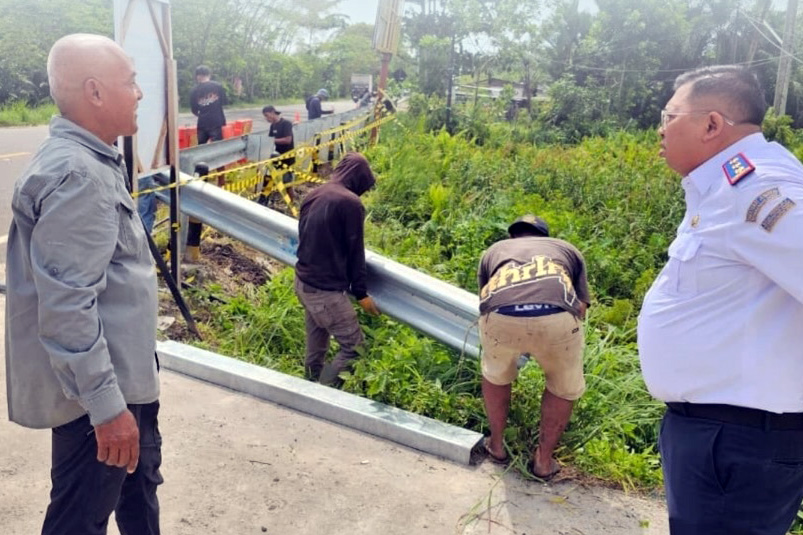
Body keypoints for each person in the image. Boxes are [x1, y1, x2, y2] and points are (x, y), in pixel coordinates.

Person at [5, 34, 162, 535]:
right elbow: (69, 308)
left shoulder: (94, 161)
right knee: (79, 518)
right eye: (130, 82)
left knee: (138, 493)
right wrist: (107, 408)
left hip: (124, 379)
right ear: (95, 93)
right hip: (99, 397)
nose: (139, 94)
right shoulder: (79, 176)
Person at [638, 65, 803, 534]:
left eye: (670, 115)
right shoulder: (725, 191)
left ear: (711, 124)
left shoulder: (759, 191)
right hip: (722, 436)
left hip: (738, 442)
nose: (660, 128)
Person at [477, 215, 590, 480]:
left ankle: (496, 446)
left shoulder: (494, 251)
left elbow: (485, 298)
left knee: (496, 374)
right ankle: (543, 461)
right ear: (545, 236)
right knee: (563, 387)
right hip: (557, 318)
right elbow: (581, 308)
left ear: (513, 237)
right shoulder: (565, 248)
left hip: (500, 315)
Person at [294, 152, 381, 387]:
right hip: (325, 291)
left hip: (303, 283)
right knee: (355, 349)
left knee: (317, 343)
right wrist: (361, 294)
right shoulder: (350, 203)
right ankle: (322, 393)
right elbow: (355, 251)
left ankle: (309, 384)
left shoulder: (314, 193)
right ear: (358, 179)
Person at [262, 105, 296, 201]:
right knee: (269, 179)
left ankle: (291, 204)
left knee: (287, 183)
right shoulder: (272, 126)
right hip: (276, 157)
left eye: (267, 115)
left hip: (287, 157)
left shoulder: (286, 124)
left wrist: (272, 141)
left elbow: (288, 140)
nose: (266, 118)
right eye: (265, 116)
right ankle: (265, 200)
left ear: (273, 112)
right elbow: (270, 140)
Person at [190, 64, 227, 144]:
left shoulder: (194, 90)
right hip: (216, 121)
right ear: (209, 75)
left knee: (201, 148)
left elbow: (194, 110)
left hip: (202, 123)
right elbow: (224, 102)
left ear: (197, 76)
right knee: (217, 147)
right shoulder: (218, 86)